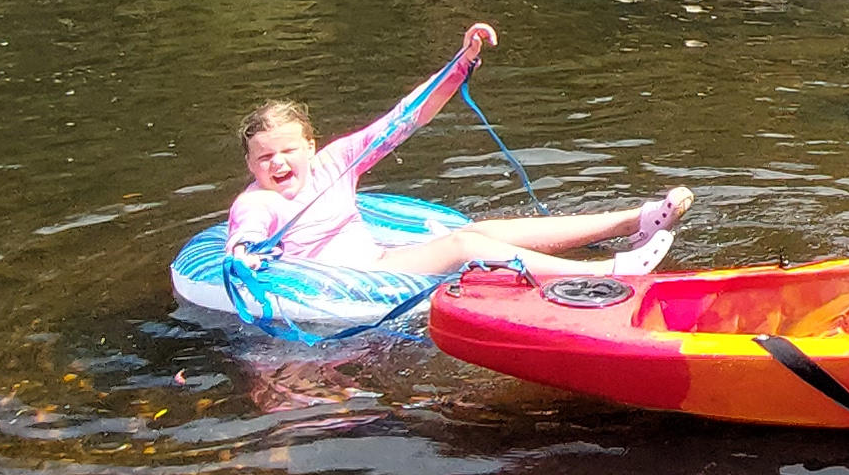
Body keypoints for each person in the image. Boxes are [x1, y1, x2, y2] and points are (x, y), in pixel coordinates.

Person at [229, 25, 690, 283]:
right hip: (358, 277)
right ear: (250, 165)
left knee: (481, 229)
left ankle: (634, 221)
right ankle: (604, 272)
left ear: (310, 145)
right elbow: (244, 238)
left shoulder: (334, 162)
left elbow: (405, 118)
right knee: (463, 244)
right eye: (264, 158)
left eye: (287, 150)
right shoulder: (258, 202)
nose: (278, 164)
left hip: (379, 258)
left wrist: (461, 62)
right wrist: (243, 254)